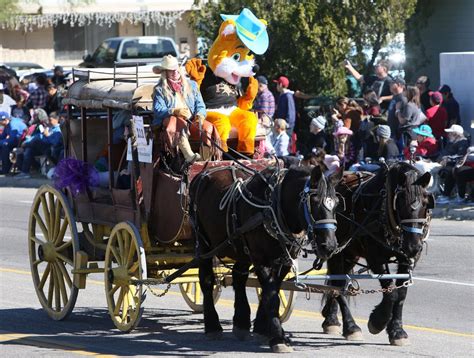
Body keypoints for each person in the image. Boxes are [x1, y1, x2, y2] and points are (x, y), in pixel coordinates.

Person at [152, 55, 206, 163]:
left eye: (176, 69)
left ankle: (206, 159)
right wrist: (174, 111)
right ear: (165, 72)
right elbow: (158, 110)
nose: (175, 72)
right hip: (171, 121)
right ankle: (189, 155)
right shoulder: (159, 89)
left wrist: (200, 114)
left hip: (191, 119)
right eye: (171, 70)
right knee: (177, 122)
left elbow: (200, 105)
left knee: (208, 128)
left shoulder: (192, 85)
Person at [15, 112, 63, 179]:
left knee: (35, 142)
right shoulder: (48, 128)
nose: (49, 122)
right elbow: (38, 136)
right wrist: (27, 141)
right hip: (42, 148)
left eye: (50, 120)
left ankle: (28, 169)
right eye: (48, 120)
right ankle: (25, 172)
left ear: (56, 120)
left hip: (51, 150)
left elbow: (55, 143)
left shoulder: (58, 129)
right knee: (29, 150)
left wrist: (48, 135)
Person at [436, 125, 470, 204]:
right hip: (445, 163)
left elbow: (461, 155)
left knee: (451, 171)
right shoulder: (451, 142)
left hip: (454, 164)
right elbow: (443, 152)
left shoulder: (463, 142)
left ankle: (446, 195)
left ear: (456, 133)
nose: (448, 135)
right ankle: (439, 193)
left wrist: (447, 158)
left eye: (450, 133)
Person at [387, 77, 407, 144]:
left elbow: (405, 118)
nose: (389, 85)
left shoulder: (403, 98)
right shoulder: (394, 97)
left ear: (398, 84)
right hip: (392, 132)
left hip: (399, 134)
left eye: (392, 83)